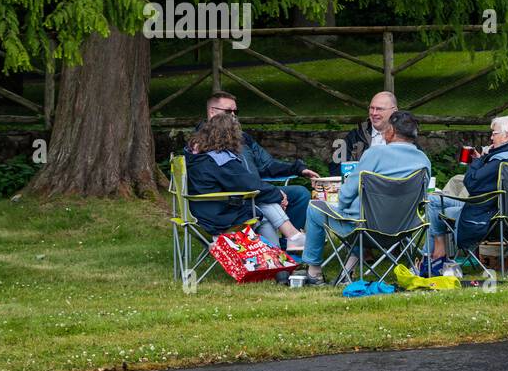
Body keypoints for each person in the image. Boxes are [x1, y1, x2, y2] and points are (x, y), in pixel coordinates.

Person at [301, 110, 432, 284]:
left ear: (391, 132)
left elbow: (346, 194)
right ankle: (347, 271)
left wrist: (343, 208)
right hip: (404, 230)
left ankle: (314, 272)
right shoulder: (423, 161)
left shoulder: (374, 154)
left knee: (315, 208)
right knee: (361, 215)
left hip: (365, 229)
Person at [423, 115, 508, 273]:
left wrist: (478, 161)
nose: (491, 137)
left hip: (488, 217)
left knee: (433, 202)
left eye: (495, 133)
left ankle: (432, 258)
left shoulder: (500, 160)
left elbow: (472, 184)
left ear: (507, 136)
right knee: (437, 205)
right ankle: (437, 254)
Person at [185, 113, 306, 250]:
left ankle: (278, 255)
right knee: (261, 200)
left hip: (203, 212)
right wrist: (278, 194)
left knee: (261, 209)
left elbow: (244, 184)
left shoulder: (199, 156)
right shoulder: (220, 160)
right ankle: (289, 241)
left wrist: (274, 193)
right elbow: (249, 185)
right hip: (219, 217)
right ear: (230, 135)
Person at [201, 92, 320, 230]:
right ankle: (287, 239)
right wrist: (273, 194)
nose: (233, 115)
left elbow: (267, 164)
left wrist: (298, 169)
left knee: (300, 194)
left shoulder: (243, 138)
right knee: (267, 203)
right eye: (228, 111)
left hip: (257, 191)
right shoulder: (202, 143)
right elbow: (236, 181)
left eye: (235, 111)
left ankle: (288, 245)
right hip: (232, 198)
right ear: (212, 112)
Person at [342, 91, 398, 162]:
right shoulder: (356, 135)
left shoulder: (405, 135)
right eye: (371, 108)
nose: (374, 113)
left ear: (394, 111)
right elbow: (338, 166)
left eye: (379, 109)